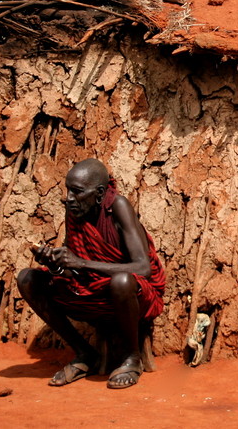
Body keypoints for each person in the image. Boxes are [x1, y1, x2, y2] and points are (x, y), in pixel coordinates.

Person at [17, 159, 165, 389]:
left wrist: (82, 263)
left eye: (77, 192)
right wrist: (55, 264)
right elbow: (74, 269)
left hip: (131, 296)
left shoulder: (119, 207)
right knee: (28, 279)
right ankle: (85, 353)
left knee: (122, 281)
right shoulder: (75, 211)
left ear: (98, 193)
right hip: (91, 291)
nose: (69, 198)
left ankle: (131, 358)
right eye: (67, 190)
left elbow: (142, 268)